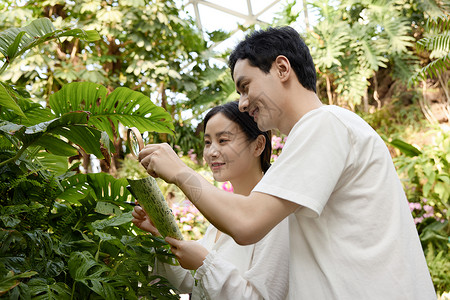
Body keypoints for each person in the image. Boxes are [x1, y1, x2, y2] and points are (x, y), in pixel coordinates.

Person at [138, 26, 436, 299]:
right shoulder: (313, 137)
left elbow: (247, 223)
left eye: (245, 86)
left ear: (282, 68)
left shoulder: (325, 123)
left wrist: (179, 171)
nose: (242, 103)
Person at [132, 101, 289, 299]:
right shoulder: (222, 212)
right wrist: (159, 233)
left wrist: (205, 263)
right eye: (207, 142)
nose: (211, 152)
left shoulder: (276, 215)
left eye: (223, 140)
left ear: (258, 145)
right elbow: (189, 280)